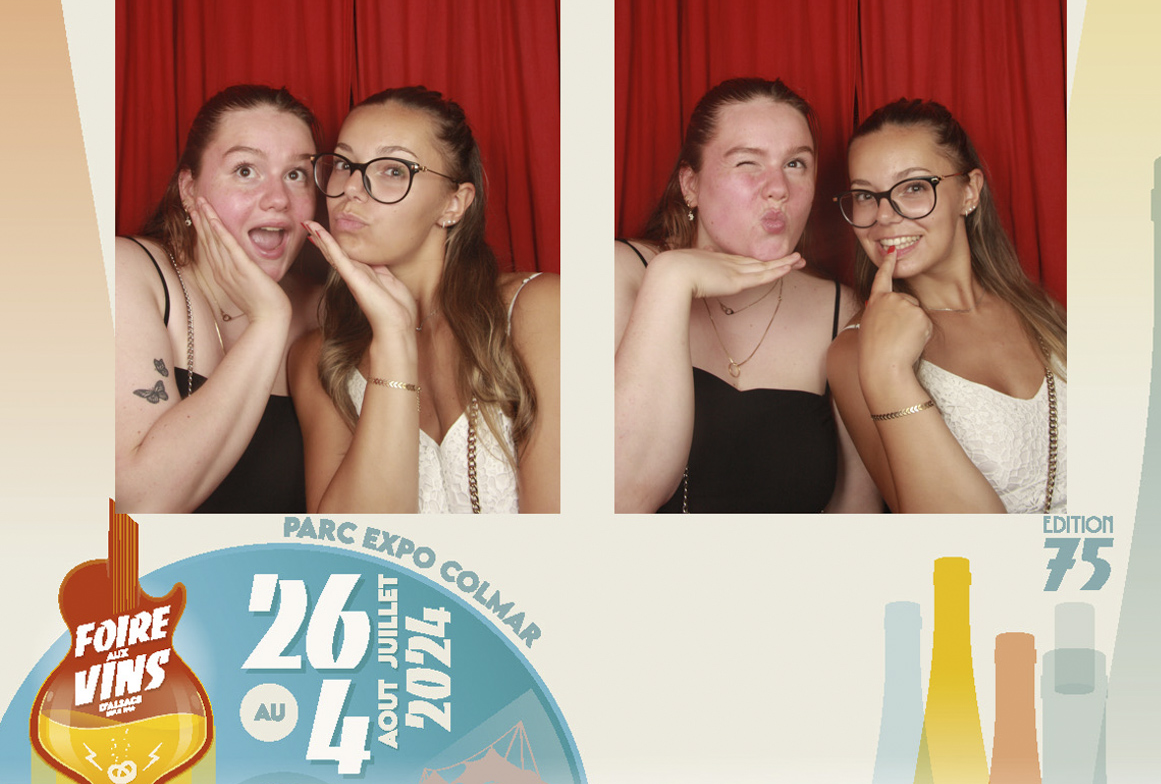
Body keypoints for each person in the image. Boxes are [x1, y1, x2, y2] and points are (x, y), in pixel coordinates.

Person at [615, 77, 880, 513]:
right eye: (747, 163)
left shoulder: (841, 310)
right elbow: (619, 497)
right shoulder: (622, 273)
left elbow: (855, 510)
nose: (778, 187)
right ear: (690, 185)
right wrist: (671, 279)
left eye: (796, 163)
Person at [289, 87, 559, 512]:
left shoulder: (540, 310)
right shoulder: (320, 359)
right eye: (343, 164)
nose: (351, 189)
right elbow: (350, 544)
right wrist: (393, 338)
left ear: (454, 204)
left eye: (393, 170)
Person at [827, 98, 1066, 514]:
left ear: (969, 192)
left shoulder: (1039, 311)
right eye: (865, 195)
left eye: (914, 187)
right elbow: (953, 537)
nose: (884, 216)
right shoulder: (855, 352)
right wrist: (888, 372)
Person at [115, 85, 325, 513]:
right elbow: (138, 506)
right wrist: (269, 320)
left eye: (296, 174)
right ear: (189, 189)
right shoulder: (126, 271)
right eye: (246, 170)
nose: (278, 199)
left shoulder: (324, 311)